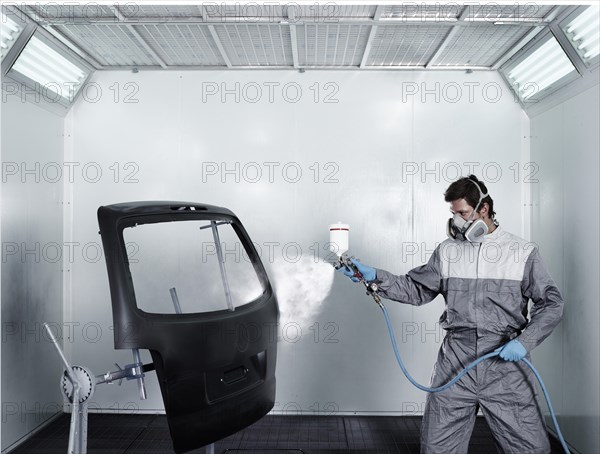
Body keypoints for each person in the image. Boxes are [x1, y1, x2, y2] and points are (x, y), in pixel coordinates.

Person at [340, 175, 564, 454]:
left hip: (505, 364)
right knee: (438, 448)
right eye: (453, 214)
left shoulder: (522, 252)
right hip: (456, 363)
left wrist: (524, 342)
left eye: (463, 213)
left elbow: (552, 303)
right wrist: (373, 276)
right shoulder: (448, 252)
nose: (457, 221)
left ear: (484, 210)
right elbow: (415, 290)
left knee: (529, 449)